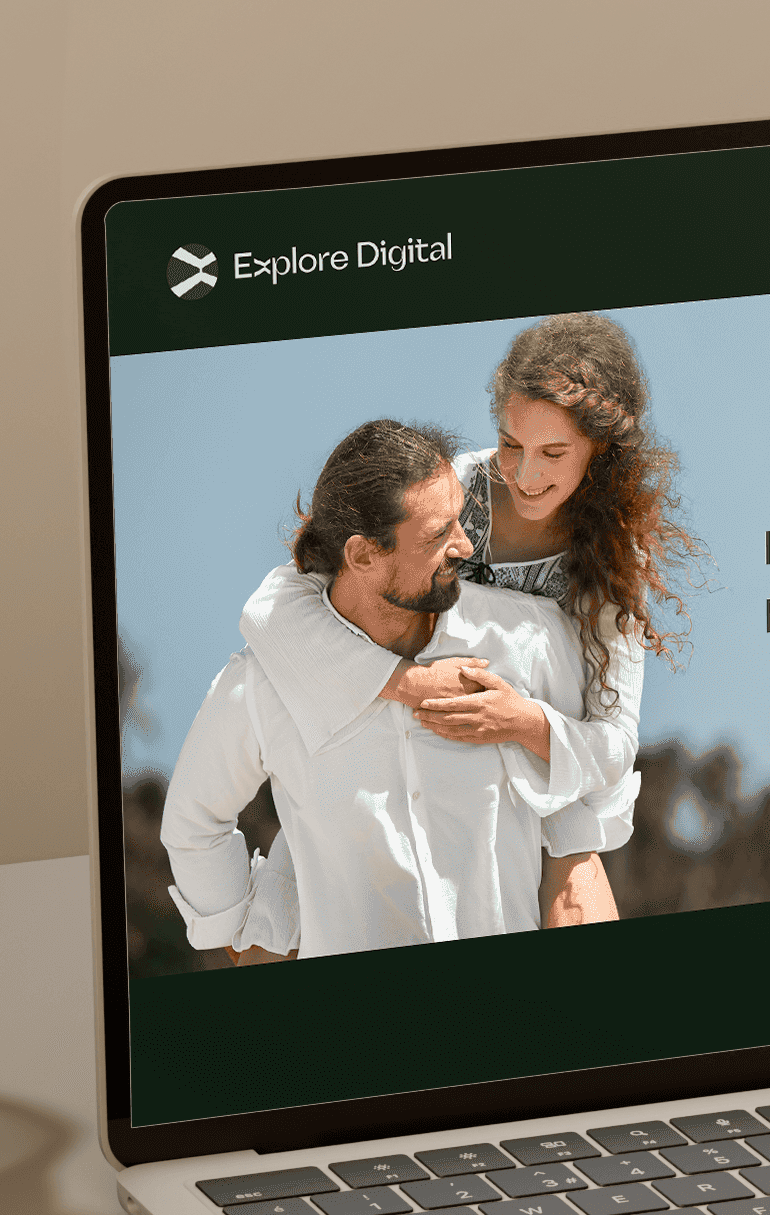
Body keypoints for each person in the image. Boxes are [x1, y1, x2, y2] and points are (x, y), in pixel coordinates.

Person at [236, 313, 695, 931]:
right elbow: (271, 609)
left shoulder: (612, 558)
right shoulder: (450, 490)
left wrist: (523, 721)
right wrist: (406, 682)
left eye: (554, 453)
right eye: (512, 444)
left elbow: (614, 744)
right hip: (397, 728)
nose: (526, 475)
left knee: (573, 872)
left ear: (600, 448)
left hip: (529, 764)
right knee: (283, 916)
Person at [157, 419, 613, 963]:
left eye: (459, 522)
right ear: (363, 556)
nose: (465, 547)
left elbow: (575, 831)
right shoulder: (265, 683)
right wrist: (241, 940)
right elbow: (193, 822)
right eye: (437, 535)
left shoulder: (529, 640)